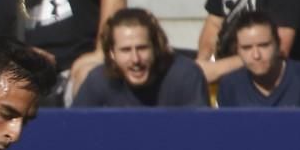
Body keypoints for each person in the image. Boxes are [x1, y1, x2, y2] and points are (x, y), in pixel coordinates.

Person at [71, 8, 208, 106]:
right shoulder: (98, 81)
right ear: (112, 53)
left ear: (155, 47)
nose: (135, 59)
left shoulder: (185, 76)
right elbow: (75, 134)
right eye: (125, 50)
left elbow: (200, 135)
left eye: (142, 48)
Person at [214, 10, 300, 107]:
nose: (256, 55)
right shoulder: (230, 86)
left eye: (264, 45)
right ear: (237, 50)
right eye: (247, 48)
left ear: (278, 45)